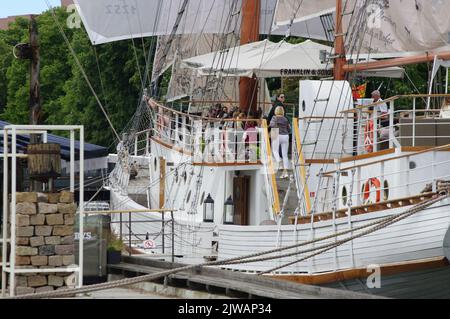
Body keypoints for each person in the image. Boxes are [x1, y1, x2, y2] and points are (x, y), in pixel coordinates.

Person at [270, 106, 291, 179]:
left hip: (276, 134)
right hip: (285, 136)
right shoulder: (285, 119)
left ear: (276, 111)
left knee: (274, 150)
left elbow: (271, 125)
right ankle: (285, 172)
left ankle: (279, 161)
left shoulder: (274, 118)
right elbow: (289, 128)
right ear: (282, 111)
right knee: (285, 154)